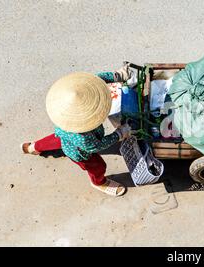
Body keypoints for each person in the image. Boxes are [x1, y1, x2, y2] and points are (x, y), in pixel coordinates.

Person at [21, 66, 133, 197]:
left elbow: (96, 80)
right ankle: (99, 182)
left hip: (62, 131)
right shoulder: (84, 137)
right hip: (78, 152)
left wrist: (116, 76)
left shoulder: (66, 105)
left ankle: (33, 147)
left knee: (56, 139)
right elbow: (97, 145)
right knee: (98, 166)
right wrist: (119, 133)